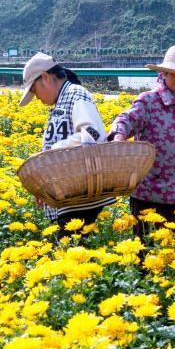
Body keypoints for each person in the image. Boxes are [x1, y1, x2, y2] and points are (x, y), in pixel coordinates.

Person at [109, 44, 175, 242]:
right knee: (145, 249)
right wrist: (119, 138)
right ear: (164, 72)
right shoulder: (148, 101)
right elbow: (125, 120)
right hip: (148, 192)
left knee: (172, 250)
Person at [18, 52, 113, 236]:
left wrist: (51, 152)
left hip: (80, 197)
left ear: (45, 77)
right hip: (69, 196)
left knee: (69, 247)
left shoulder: (76, 94)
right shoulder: (62, 99)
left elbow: (93, 134)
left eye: (34, 90)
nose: (36, 97)